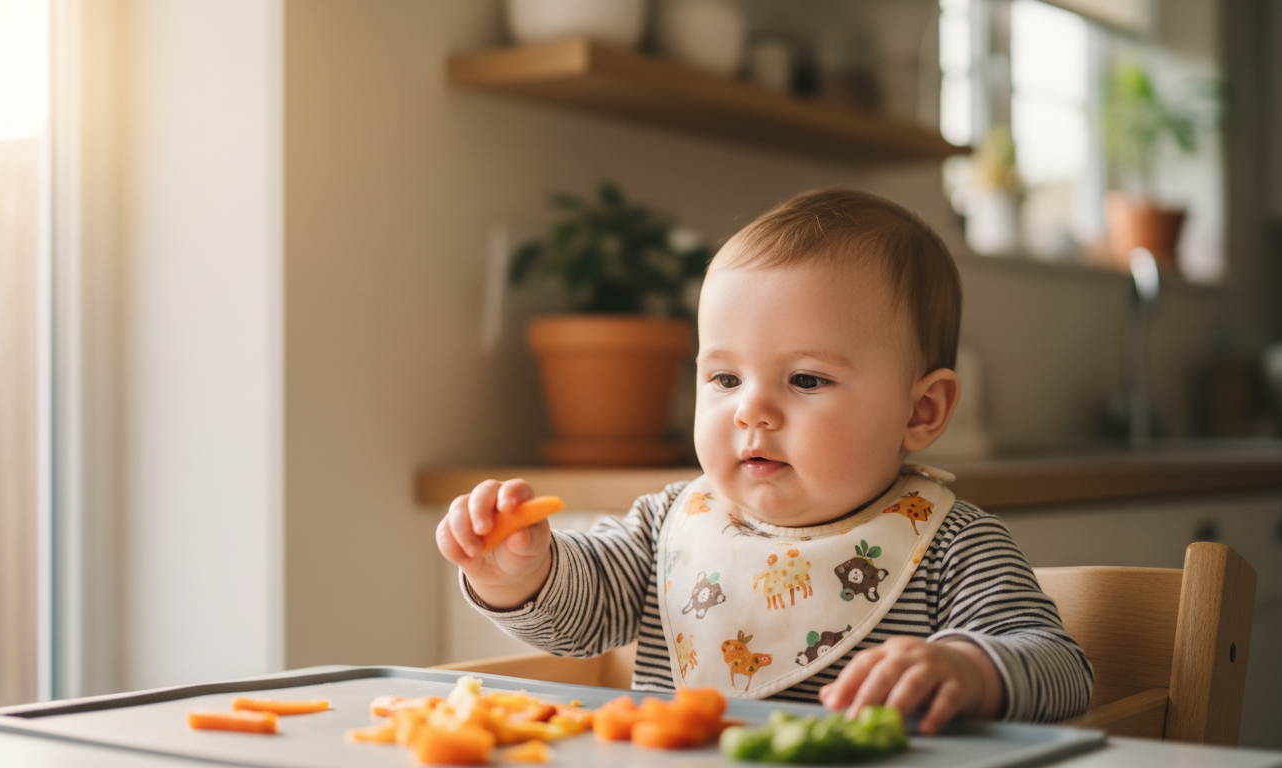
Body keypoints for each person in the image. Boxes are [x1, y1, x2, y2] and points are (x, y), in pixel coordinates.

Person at [436, 188, 1093, 734]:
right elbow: (577, 621)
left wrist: (969, 669)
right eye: (724, 380)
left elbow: (1059, 666)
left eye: (806, 380)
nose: (751, 411)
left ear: (920, 412)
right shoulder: (670, 522)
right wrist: (519, 574)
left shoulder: (952, 545)